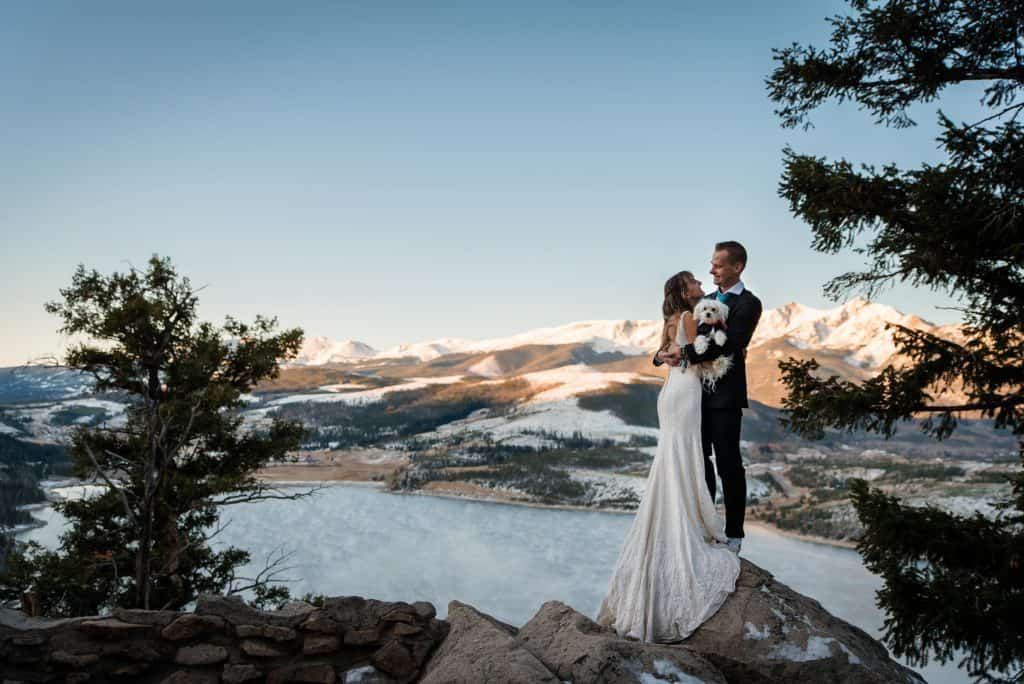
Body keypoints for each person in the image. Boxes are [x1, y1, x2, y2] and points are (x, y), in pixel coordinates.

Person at [596, 270, 741, 643]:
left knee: (674, 457)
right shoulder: (690, 318)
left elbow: (664, 355)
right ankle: (691, 525)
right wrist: (713, 359)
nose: (698, 284)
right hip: (687, 392)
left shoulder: (669, 320)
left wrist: (671, 355)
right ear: (683, 290)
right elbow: (697, 357)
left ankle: (679, 520)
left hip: (670, 394)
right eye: (693, 281)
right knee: (687, 455)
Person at [656, 241, 763, 552]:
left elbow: (730, 342)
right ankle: (707, 523)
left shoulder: (748, 304)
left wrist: (684, 352)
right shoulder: (701, 302)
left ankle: (735, 534)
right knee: (699, 461)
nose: (711, 269)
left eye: (717, 264)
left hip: (725, 397)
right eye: (711, 264)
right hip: (692, 396)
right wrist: (663, 355)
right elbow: (674, 335)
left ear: (737, 267)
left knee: (729, 463)